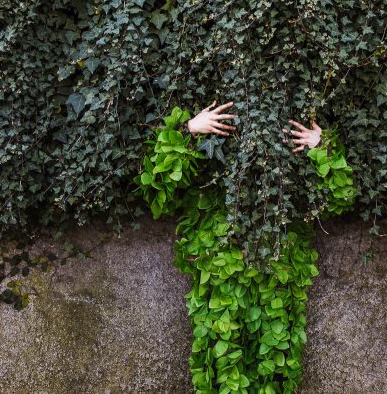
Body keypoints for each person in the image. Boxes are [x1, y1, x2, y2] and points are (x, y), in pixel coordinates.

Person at [137, 100, 355, 394]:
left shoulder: (285, 182)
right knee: (222, 369)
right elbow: (157, 187)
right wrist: (189, 130)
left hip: (277, 272)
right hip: (222, 276)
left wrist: (321, 150)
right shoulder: (216, 174)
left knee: (274, 372)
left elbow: (340, 198)